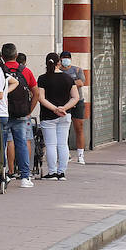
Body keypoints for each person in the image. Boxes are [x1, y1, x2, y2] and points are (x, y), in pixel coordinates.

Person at [37, 52, 80, 180]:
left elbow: (41, 98)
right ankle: (62, 172)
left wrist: (55, 109)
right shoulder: (68, 78)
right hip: (65, 116)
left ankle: (52, 172)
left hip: (48, 116)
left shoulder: (42, 78)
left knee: (50, 145)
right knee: (62, 144)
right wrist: (64, 108)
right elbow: (75, 97)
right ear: (59, 63)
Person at [1, 43, 38, 187]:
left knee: (1, 145)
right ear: (16, 56)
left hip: (3, 113)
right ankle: (24, 177)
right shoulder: (26, 71)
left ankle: (1, 175)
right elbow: (36, 93)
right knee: (21, 144)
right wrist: (29, 110)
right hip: (21, 114)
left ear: (2, 57)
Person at [60, 50, 87, 164]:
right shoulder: (58, 71)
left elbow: (81, 82)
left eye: (67, 58)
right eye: (63, 58)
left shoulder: (77, 70)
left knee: (79, 128)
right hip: (64, 103)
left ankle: (80, 154)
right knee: (63, 130)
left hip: (78, 102)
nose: (66, 60)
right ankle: (66, 153)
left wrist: (66, 82)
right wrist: (71, 82)